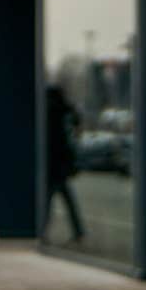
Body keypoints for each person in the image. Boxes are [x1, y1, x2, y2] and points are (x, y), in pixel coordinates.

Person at [44, 85, 86, 244]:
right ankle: (78, 231)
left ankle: (42, 230)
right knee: (67, 199)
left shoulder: (48, 112)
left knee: (46, 199)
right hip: (62, 161)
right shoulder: (66, 111)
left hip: (52, 162)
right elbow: (76, 126)